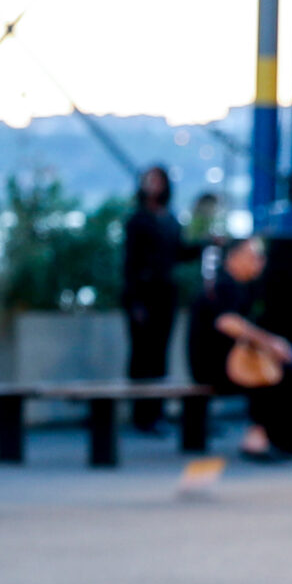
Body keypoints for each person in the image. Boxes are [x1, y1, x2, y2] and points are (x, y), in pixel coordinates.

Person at [189, 233, 292, 461]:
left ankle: (273, 439)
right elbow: (227, 323)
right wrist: (270, 343)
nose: (259, 262)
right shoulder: (223, 285)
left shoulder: (242, 287)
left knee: (281, 374)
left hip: (234, 363)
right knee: (279, 377)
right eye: (254, 256)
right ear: (233, 258)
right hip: (215, 367)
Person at [121, 165, 183, 430]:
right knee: (141, 355)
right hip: (142, 295)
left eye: (157, 180)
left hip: (165, 294)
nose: (153, 184)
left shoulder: (170, 218)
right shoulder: (137, 220)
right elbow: (129, 264)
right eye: (149, 180)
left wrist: (207, 244)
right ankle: (142, 415)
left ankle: (157, 412)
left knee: (160, 354)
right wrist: (135, 301)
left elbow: (179, 253)